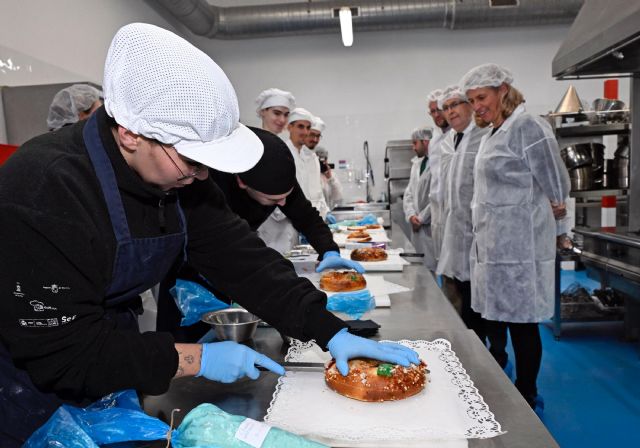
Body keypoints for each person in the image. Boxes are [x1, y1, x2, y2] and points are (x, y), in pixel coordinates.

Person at [0, 23, 418, 445]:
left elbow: (244, 260)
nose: (201, 176)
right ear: (130, 133)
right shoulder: (43, 189)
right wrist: (194, 359)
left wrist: (329, 330)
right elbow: (63, 352)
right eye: (191, 162)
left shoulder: (178, 176)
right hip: (30, 391)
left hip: (114, 367)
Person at [461, 63, 570, 412]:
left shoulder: (528, 126)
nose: (476, 105)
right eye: (471, 100)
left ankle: (526, 393)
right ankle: (505, 380)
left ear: (503, 90)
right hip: (495, 244)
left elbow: (557, 185)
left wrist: (563, 231)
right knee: (498, 315)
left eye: (482, 97)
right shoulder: (495, 131)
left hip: (522, 245)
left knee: (523, 323)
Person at [436, 85, 489, 340]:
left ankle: (493, 357)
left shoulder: (483, 135)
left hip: (480, 234)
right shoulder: (449, 141)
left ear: (469, 105)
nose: (450, 112)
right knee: (462, 300)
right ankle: (472, 351)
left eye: (455, 104)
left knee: (482, 307)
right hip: (455, 233)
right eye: (445, 108)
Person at [403, 126, 436, 271]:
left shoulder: (437, 163)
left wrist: (421, 218)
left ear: (426, 142)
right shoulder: (417, 164)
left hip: (430, 227)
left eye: (415, 143)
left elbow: (437, 197)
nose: (413, 147)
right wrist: (411, 215)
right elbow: (409, 193)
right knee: (419, 271)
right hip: (417, 227)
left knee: (434, 272)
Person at [305, 116, 341, 216]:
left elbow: (338, 197)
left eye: (324, 159)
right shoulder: (306, 166)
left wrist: (330, 178)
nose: (315, 139)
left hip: (324, 216)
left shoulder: (329, 175)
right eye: (312, 135)